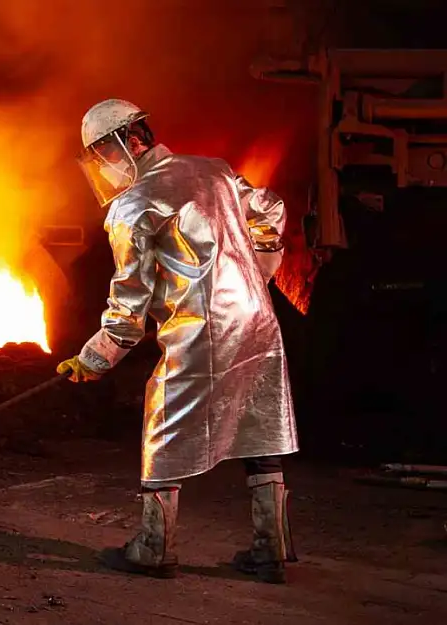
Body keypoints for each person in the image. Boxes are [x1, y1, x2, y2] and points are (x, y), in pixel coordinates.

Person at [57, 99, 299, 583]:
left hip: (199, 329)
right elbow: (271, 208)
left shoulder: (132, 205)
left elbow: (130, 301)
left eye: (103, 151)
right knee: (258, 422)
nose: (102, 165)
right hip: (256, 318)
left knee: (162, 421)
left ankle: (153, 547)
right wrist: (261, 271)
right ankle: (271, 552)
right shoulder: (215, 171)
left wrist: (97, 356)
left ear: (131, 140)